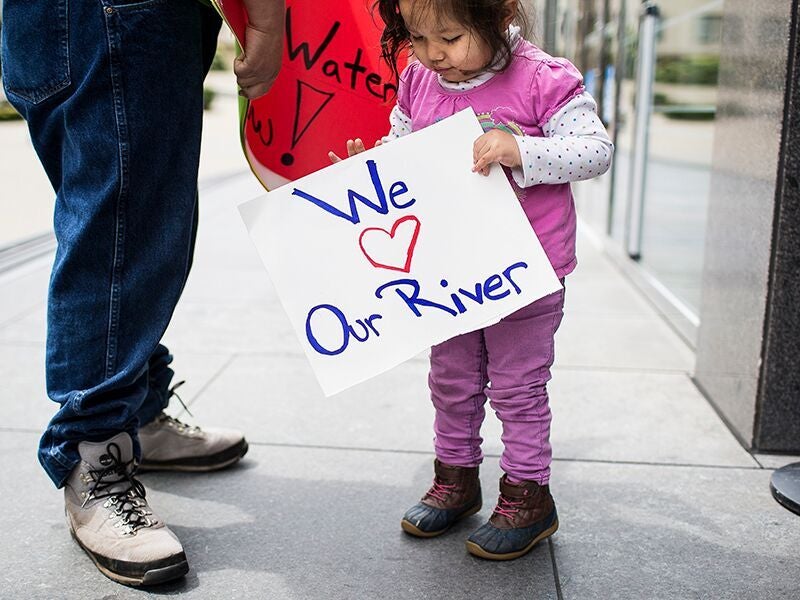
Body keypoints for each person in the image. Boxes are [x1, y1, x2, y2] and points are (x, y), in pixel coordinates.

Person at [0, 0, 284, 586]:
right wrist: (267, 18)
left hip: (42, 19)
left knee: (105, 214)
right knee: (125, 229)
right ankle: (96, 450)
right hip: (128, 14)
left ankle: (138, 408)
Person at [330, 0, 613, 561]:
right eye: (416, 36)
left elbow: (595, 150)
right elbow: (404, 146)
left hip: (525, 271)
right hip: (452, 268)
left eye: (452, 37)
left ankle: (528, 496)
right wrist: (376, 166)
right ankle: (456, 478)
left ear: (500, 16)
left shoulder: (541, 78)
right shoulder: (419, 81)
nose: (435, 54)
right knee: (452, 378)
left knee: (517, 386)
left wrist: (522, 149)